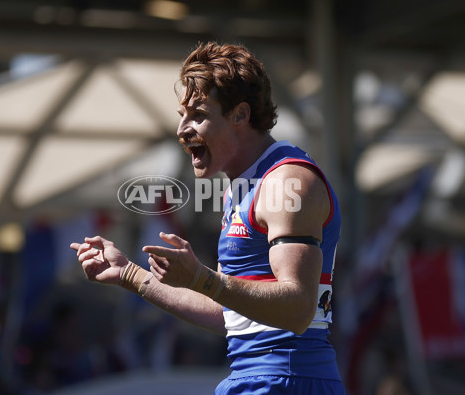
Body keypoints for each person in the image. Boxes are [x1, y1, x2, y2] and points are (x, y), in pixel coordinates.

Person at [70, 41, 345, 394]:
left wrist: (203, 278)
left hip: (286, 381)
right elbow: (233, 317)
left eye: (198, 115)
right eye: (182, 116)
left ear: (240, 115)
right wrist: (129, 274)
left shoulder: (286, 182)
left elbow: (297, 309)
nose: (183, 129)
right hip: (256, 379)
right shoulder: (239, 190)